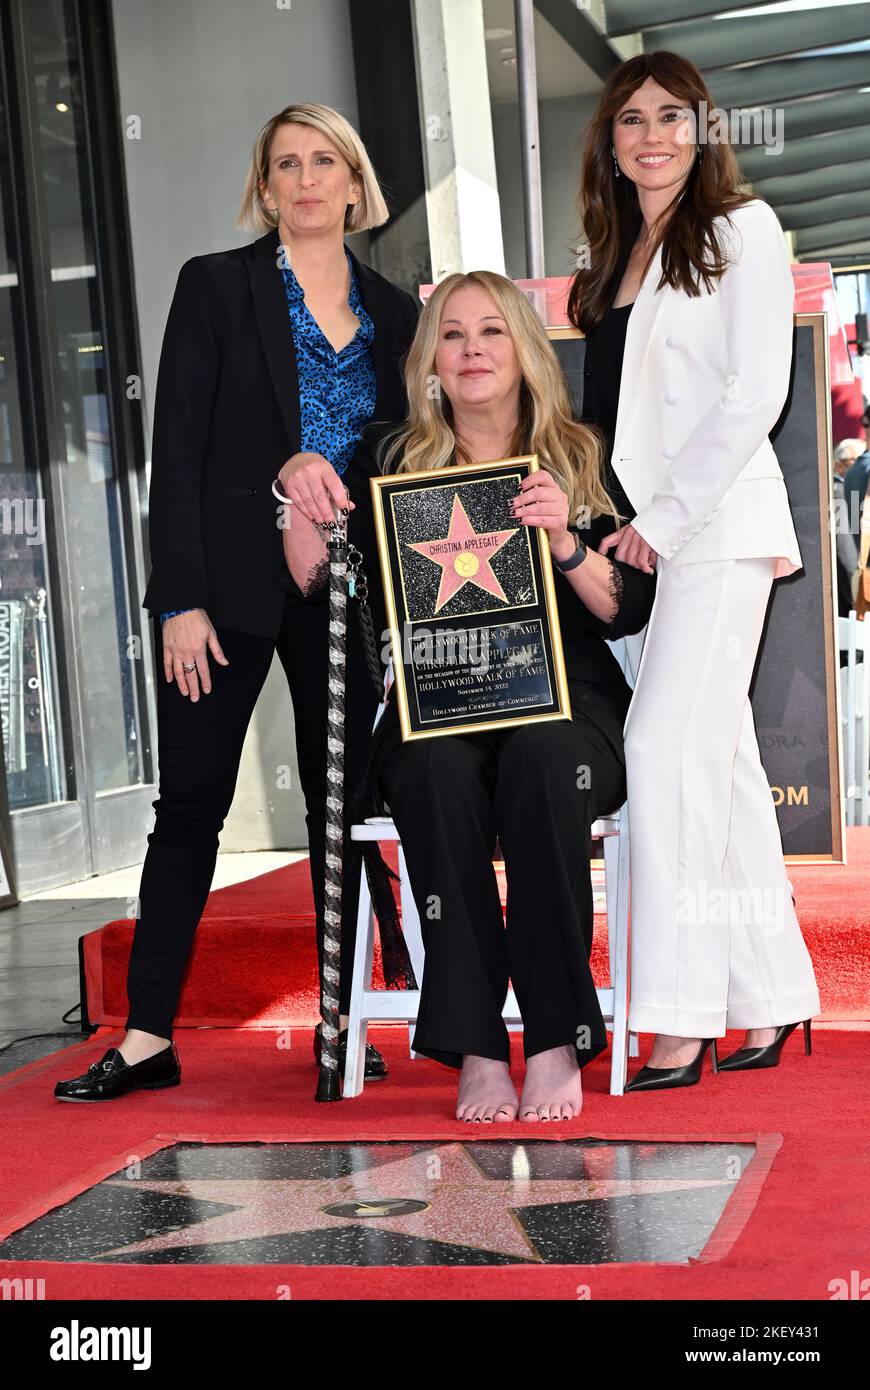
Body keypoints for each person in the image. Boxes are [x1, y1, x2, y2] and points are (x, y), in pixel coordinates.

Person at [55, 103, 418, 1102]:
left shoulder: (400, 311)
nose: (304, 180)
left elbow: (404, 460)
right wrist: (178, 601)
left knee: (349, 808)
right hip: (224, 592)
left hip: (349, 597)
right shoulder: (216, 286)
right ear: (264, 186)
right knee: (191, 810)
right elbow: (178, 453)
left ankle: (348, 1021)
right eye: (285, 165)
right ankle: (145, 1036)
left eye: (324, 162)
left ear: (354, 181)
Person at [323, 269, 656, 1122]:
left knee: (547, 761)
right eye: (453, 333)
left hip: (566, 687)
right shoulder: (385, 458)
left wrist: (566, 544)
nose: (472, 350)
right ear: (431, 356)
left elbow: (628, 611)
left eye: (492, 332)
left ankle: (553, 1036)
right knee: (430, 768)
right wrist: (298, 483)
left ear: (524, 350)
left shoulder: (587, 453)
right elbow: (336, 581)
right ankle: (476, 1045)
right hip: (444, 683)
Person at [569, 51, 821, 1092]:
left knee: (661, 750)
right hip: (645, 541)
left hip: (711, 533)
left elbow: (755, 390)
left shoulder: (740, 231)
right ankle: (769, 996)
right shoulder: (614, 253)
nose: (653, 135)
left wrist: (662, 524)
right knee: (715, 767)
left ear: (704, 129)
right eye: (632, 120)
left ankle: (677, 1017)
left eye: (673, 116)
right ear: (612, 143)